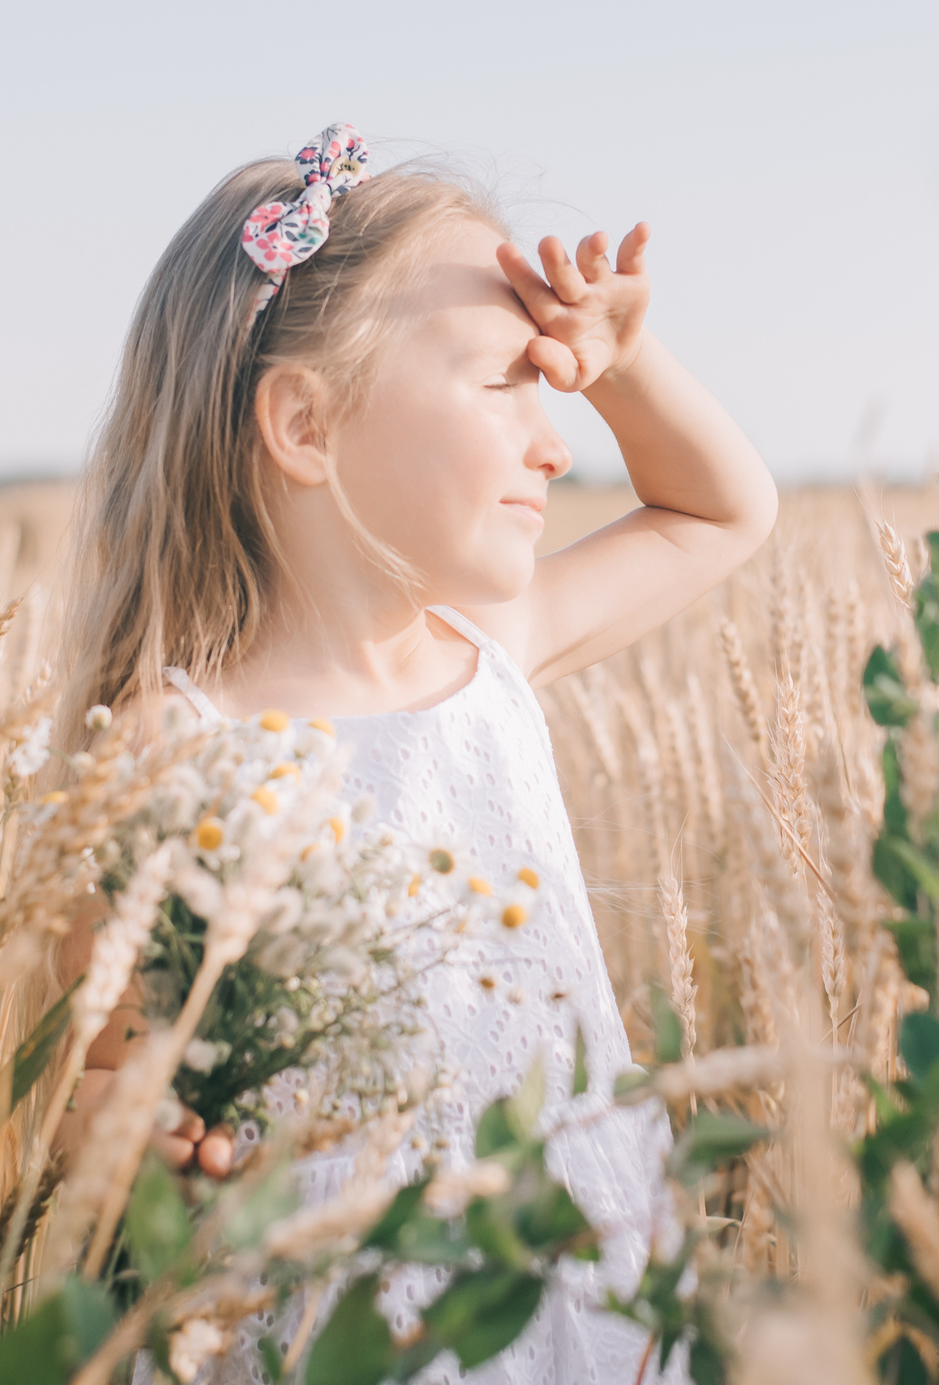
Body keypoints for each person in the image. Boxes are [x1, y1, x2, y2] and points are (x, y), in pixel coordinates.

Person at [58, 124, 777, 1379]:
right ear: (304, 424)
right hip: (347, 1325)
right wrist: (126, 1131)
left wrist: (623, 361)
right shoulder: (172, 746)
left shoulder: (489, 649)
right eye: (505, 383)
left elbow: (723, 508)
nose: (556, 439)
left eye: (553, 390)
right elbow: (98, 1063)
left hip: (588, 1272)